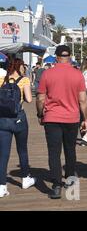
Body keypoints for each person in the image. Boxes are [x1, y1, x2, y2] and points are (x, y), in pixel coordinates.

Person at [36, 45, 87, 199]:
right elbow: (83, 100)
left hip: (52, 118)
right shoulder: (77, 74)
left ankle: (56, 185)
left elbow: (40, 98)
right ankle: (70, 180)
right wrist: (85, 118)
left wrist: (40, 114)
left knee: (54, 152)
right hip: (72, 118)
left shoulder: (47, 74)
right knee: (70, 150)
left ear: (57, 57)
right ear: (70, 56)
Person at [0, 58, 36, 198]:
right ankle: (25, 179)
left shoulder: (2, 79)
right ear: (19, 66)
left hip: (3, 120)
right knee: (22, 150)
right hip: (18, 120)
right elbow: (29, 99)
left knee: (3, 154)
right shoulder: (24, 80)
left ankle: (2, 186)